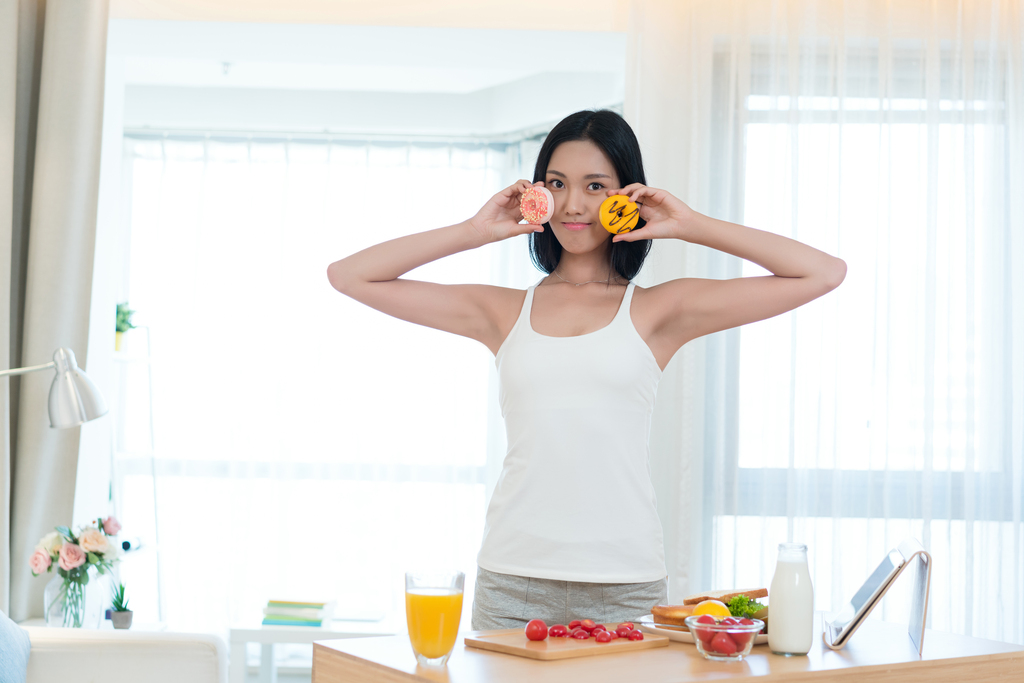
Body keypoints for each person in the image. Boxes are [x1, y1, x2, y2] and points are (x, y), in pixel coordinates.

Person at [327, 110, 846, 630]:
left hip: (625, 586)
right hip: (514, 581)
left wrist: (692, 225)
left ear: (627, 196)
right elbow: (350, 276)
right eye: (557, 184)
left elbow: (823, 272)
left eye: (595, 185)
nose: (573, 204)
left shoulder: (659, 312)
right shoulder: (501, 311)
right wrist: (473, 231)